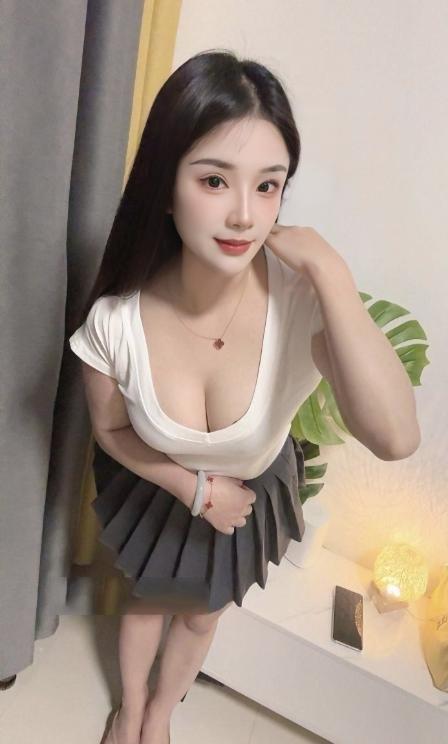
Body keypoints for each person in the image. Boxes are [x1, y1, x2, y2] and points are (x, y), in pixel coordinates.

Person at [69, 48, 324, 744]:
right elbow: (111, 433)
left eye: (268, 186)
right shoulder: (115, 322)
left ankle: (162, 712)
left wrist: (330, 271)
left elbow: (395, 433)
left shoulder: (299, 301)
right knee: (150, 601)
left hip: (250, 493)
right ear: (165, 182)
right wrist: (196, 488)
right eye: (214, 180)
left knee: (201, 614)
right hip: (164, 484)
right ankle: (130, 709)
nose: (244, 215)